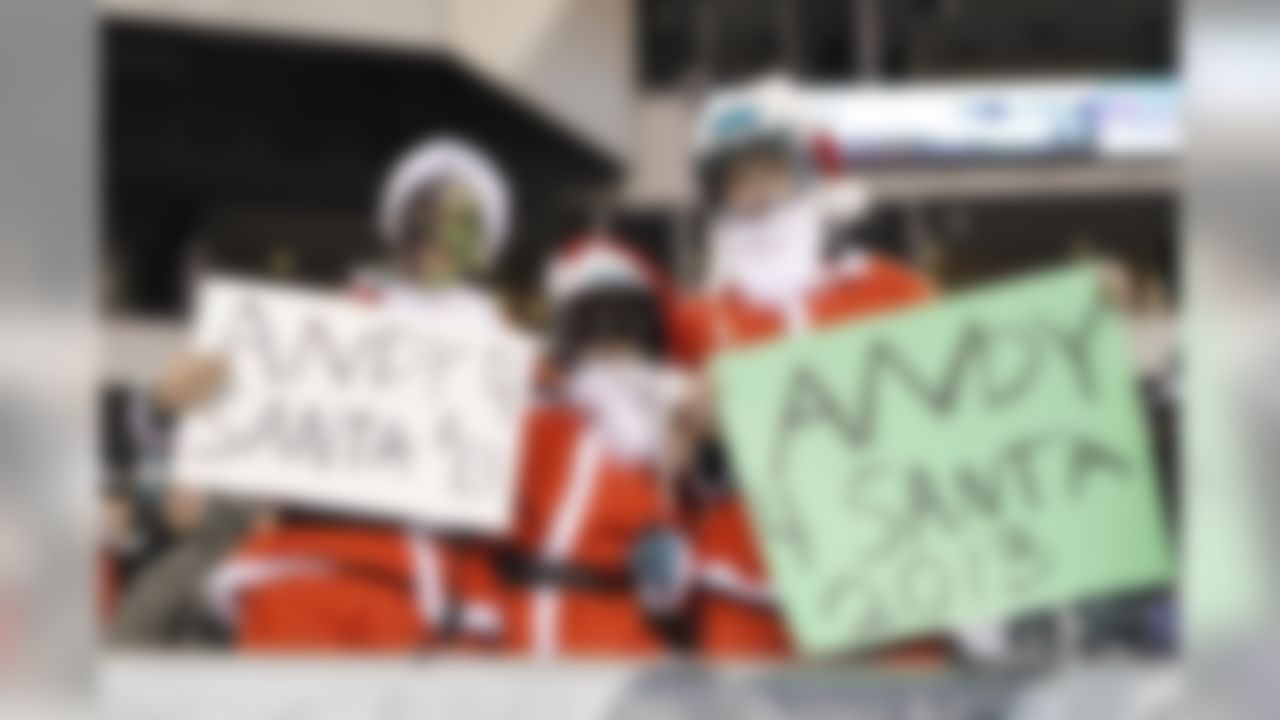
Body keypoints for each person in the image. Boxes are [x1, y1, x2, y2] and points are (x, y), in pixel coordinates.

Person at [158, 136, 512, 651]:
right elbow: (187, 499)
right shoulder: (322, 328)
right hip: (304, 584)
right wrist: (177, 410)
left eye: (458, 221)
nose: (435, 236)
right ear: (398, 225)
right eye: (424, 215)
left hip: (434, 597)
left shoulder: (503, 354)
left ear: (481, 241)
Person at [672, 76, 939, 662]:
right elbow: (658, 471)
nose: (755, 194)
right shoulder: (691, 322)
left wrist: (1086, 307)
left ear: (809, 173)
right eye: (734, 180)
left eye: (769, 169)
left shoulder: (894, 290)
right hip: (747, 582)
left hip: (890, 572)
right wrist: (687, 431)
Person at [497, 236, 692, 658]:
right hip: (513, 627)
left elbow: (670, 585)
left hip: (611, 636)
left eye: (623, 323)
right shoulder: (532, 400)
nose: (608, 339)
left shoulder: (668, 422)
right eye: (592, 320)